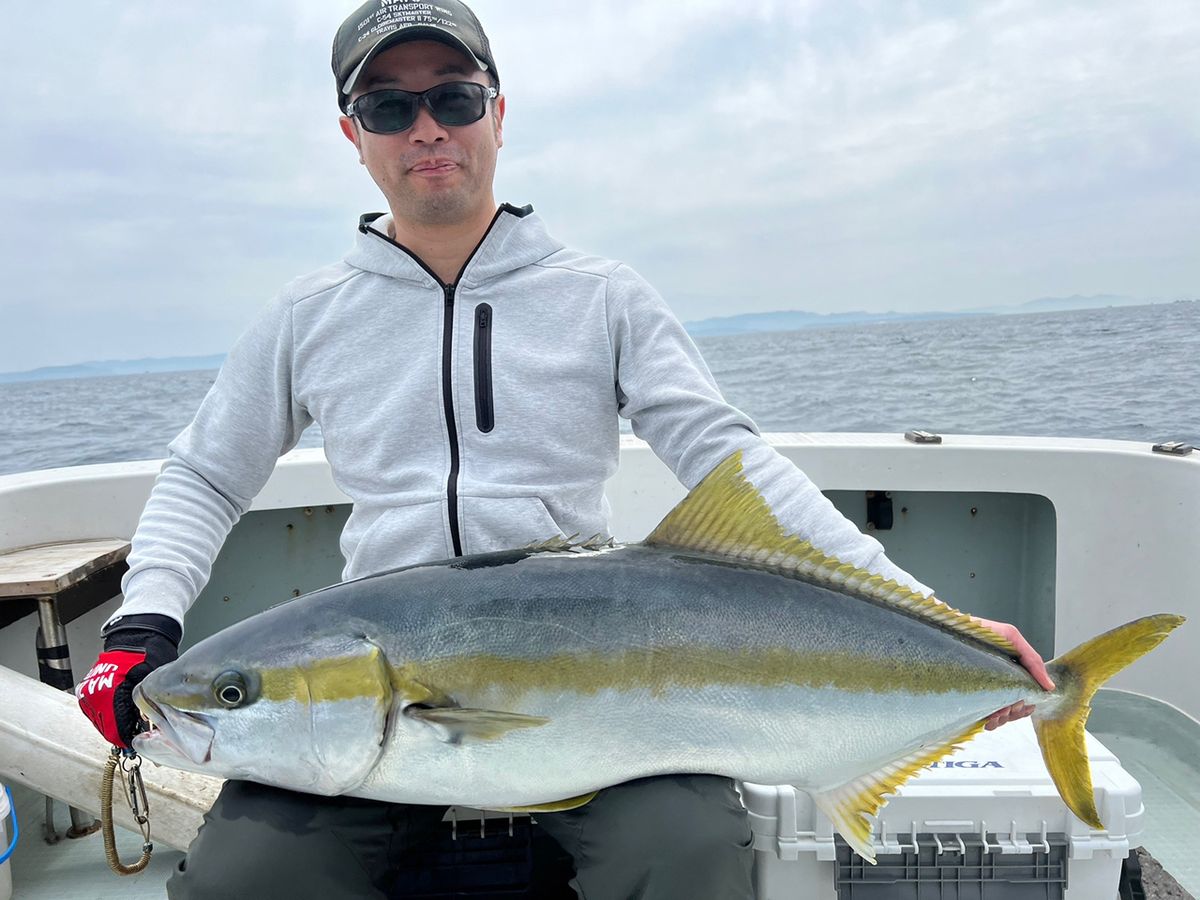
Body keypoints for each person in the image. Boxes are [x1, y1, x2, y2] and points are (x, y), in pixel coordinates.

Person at [75, 2, 1053, 897]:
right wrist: (141, 626)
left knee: (687, 856)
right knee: (241, 882)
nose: (427, 128)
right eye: (389, 107)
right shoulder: (308, 315)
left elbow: (727, 459)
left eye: (453, 98)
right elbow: (206, 474)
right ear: (352, 135)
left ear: (498, 113)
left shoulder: (601, 296)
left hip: (598, 675)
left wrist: (934, 617)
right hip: (384, 677)